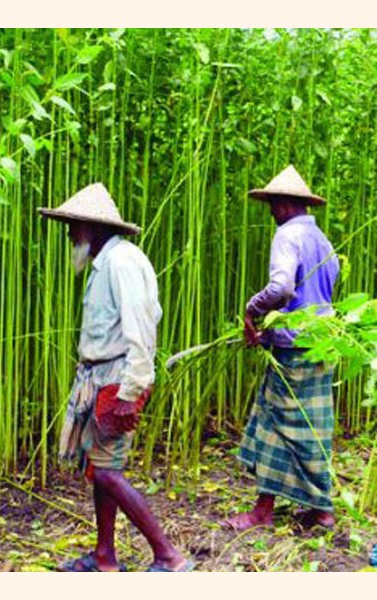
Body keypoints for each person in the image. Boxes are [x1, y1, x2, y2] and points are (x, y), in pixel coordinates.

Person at [38, 183, 192, 572]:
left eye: (73, 226)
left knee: (107, 471)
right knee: (100, 468)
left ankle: (168, 556)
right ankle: (105, 556)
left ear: (91, 227)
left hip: (117, 378)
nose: (70, 234)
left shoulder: (122, 262)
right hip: (102, 376)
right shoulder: (104, 262)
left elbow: (141, 327)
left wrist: (131, 389)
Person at [223, 165, 339, 531]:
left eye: (273, 205)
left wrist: (252, 309)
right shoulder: (323, 240)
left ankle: (263, 512)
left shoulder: (288, 236)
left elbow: (283, 288)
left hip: (293, 349)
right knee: (312, 428)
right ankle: (321, 511)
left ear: (285, 204)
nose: (272, 212)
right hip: (323, 343)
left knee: (276, 426)